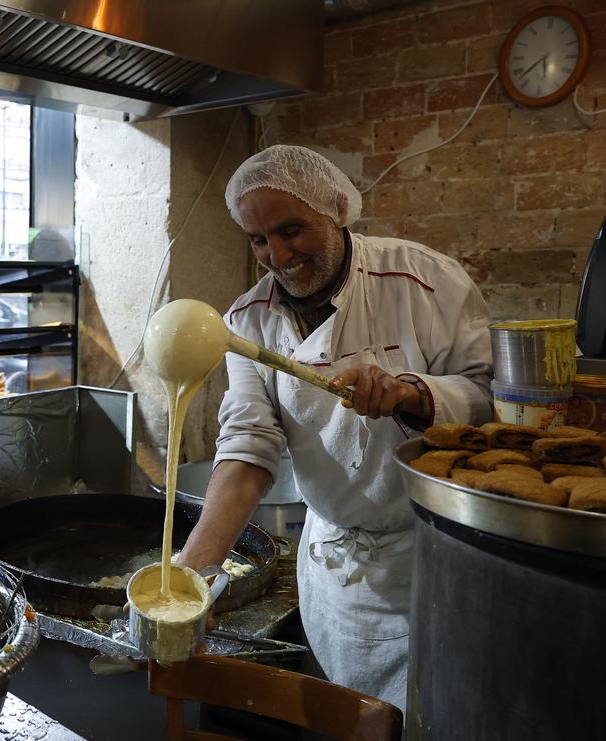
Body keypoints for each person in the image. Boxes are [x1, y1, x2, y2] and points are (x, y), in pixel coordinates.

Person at [176, 145, 492, 710]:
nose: (277, 255)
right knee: (342, 717)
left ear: (338, 210)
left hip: (428, 559)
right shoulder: (245, 323)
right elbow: (249, 445)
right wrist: (188, 575)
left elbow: (492, 402)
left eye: (292, 230)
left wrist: (410, 393)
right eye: (258, 240)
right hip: (334, 568)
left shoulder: (425, 283)